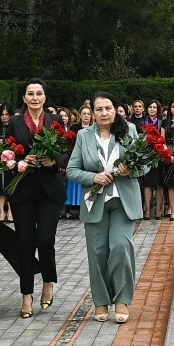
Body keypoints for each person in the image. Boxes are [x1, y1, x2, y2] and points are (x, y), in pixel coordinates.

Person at [66, 92, 140, 324]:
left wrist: (133, 170)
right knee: (98, 253)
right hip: (95, 201)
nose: (104, 113)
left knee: (120, 247)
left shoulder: (129, 131)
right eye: (99, 109)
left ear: (116, 109)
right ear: (92, 112)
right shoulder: (83, 135)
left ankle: (122, 299)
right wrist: (93, 177)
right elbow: (71, 170)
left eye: (108, 108)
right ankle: (100, 301)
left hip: (123, 201)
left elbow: (145, 165)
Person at [5, 78, 66, 317]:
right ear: (24, 98)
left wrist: (54, 160)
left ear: (44, 97)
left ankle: (48, 282)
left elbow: (65, 150)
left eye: (39, 93)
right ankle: (26, 295)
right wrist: (20, 161)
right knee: (25, 243)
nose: (34, 98)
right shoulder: (15, 122)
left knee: (44, 240)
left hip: (50, 189)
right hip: (23, 190)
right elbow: (6, 152)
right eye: (30, 94)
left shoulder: (55, 121)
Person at [139, 100, 163, 219]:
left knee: (159, 185)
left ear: (157, 109)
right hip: (146, 156)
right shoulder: (142, 122)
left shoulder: (161, 122)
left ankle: (158, 210)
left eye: (154, 107)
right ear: (147, 109)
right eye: (150, 107)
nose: (152, 109)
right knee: (147, 184)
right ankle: (147, 210)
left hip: (158, 156)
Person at [0, 103, 14, 222]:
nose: (4, 117)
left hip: (10, 159)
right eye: (2, 114)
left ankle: (10, 211)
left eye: (7, 114)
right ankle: (1, 210)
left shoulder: (14, 127)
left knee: (9, 185)